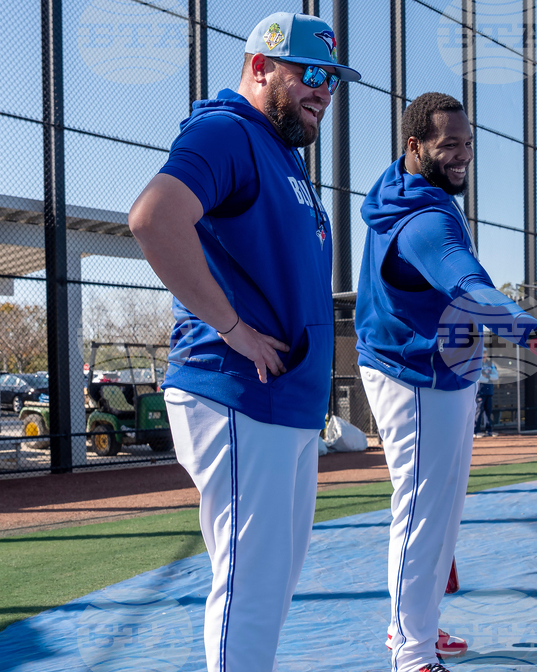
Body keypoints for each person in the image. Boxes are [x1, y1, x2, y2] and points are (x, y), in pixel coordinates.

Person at [127, 12, 360, 672]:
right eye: (311, 75)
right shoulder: (226, 130)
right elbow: (153, 217)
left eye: (333, 82)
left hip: (281, 402)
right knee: (250, 590)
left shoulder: (278, 149)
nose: (324, 91)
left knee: (269, 587)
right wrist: (233, 329)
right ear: (259, 67)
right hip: (236, 391)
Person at [355, 92, 537, 672]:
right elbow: (472, 290)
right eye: (448, 146)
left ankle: (412, 630)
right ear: (414, 146)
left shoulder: (410, 186)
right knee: (421, 515)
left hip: (428, 369)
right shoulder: (426, 219)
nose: (462, 155)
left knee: (431, 513)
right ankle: (411, 654)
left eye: (467, 144)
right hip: (416, 375)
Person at [474, 352, 498, 436]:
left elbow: (496, 377)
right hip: (480, 391)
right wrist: (488, 377)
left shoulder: (490, 364)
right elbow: (478, 377)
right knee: (478, 411)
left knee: (488, 411)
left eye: (485, 352)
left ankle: (489, 431)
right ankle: (476, 431)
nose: (484, 354)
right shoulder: (476, 363)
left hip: (489, 391)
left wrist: (486, 376)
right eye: (482, 352)